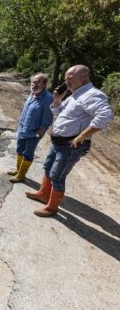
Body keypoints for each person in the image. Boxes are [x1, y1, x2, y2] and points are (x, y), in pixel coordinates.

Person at [26, 65, 114, 217]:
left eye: (70, 78)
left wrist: (82, 136)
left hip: (71, 144)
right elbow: (58, 112)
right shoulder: (74, 95)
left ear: (84, 77)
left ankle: (51, 208)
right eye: (65, 79)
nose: (66, 82)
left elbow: (106, 116)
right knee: (48, 167)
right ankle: (43, 194)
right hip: (59, 142)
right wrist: (57, 100)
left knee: (57, 176)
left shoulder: (92, 95)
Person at [8, 73, 53, 183]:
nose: (34, 84)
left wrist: (39, 132)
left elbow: (47, 118)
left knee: (28, 153)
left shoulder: (48, 98)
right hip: (23, 129)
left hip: (34, 133)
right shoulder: (32, 93)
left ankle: (21, 175)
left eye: (38, 82)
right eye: (33, 82)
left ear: (45, 84)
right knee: (19, 150)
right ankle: (18, 170)